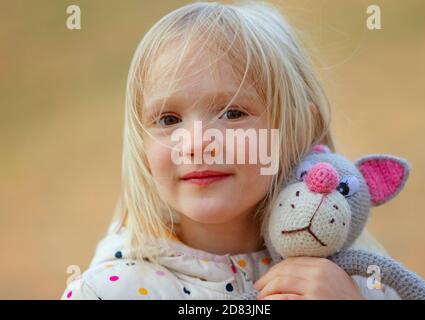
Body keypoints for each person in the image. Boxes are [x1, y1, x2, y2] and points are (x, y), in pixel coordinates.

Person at [61, 1, 400, 300]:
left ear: (299, 130)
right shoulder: (108, 291)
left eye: (233, 113)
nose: (196, 144)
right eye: (168, 119)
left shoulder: (356, 277)